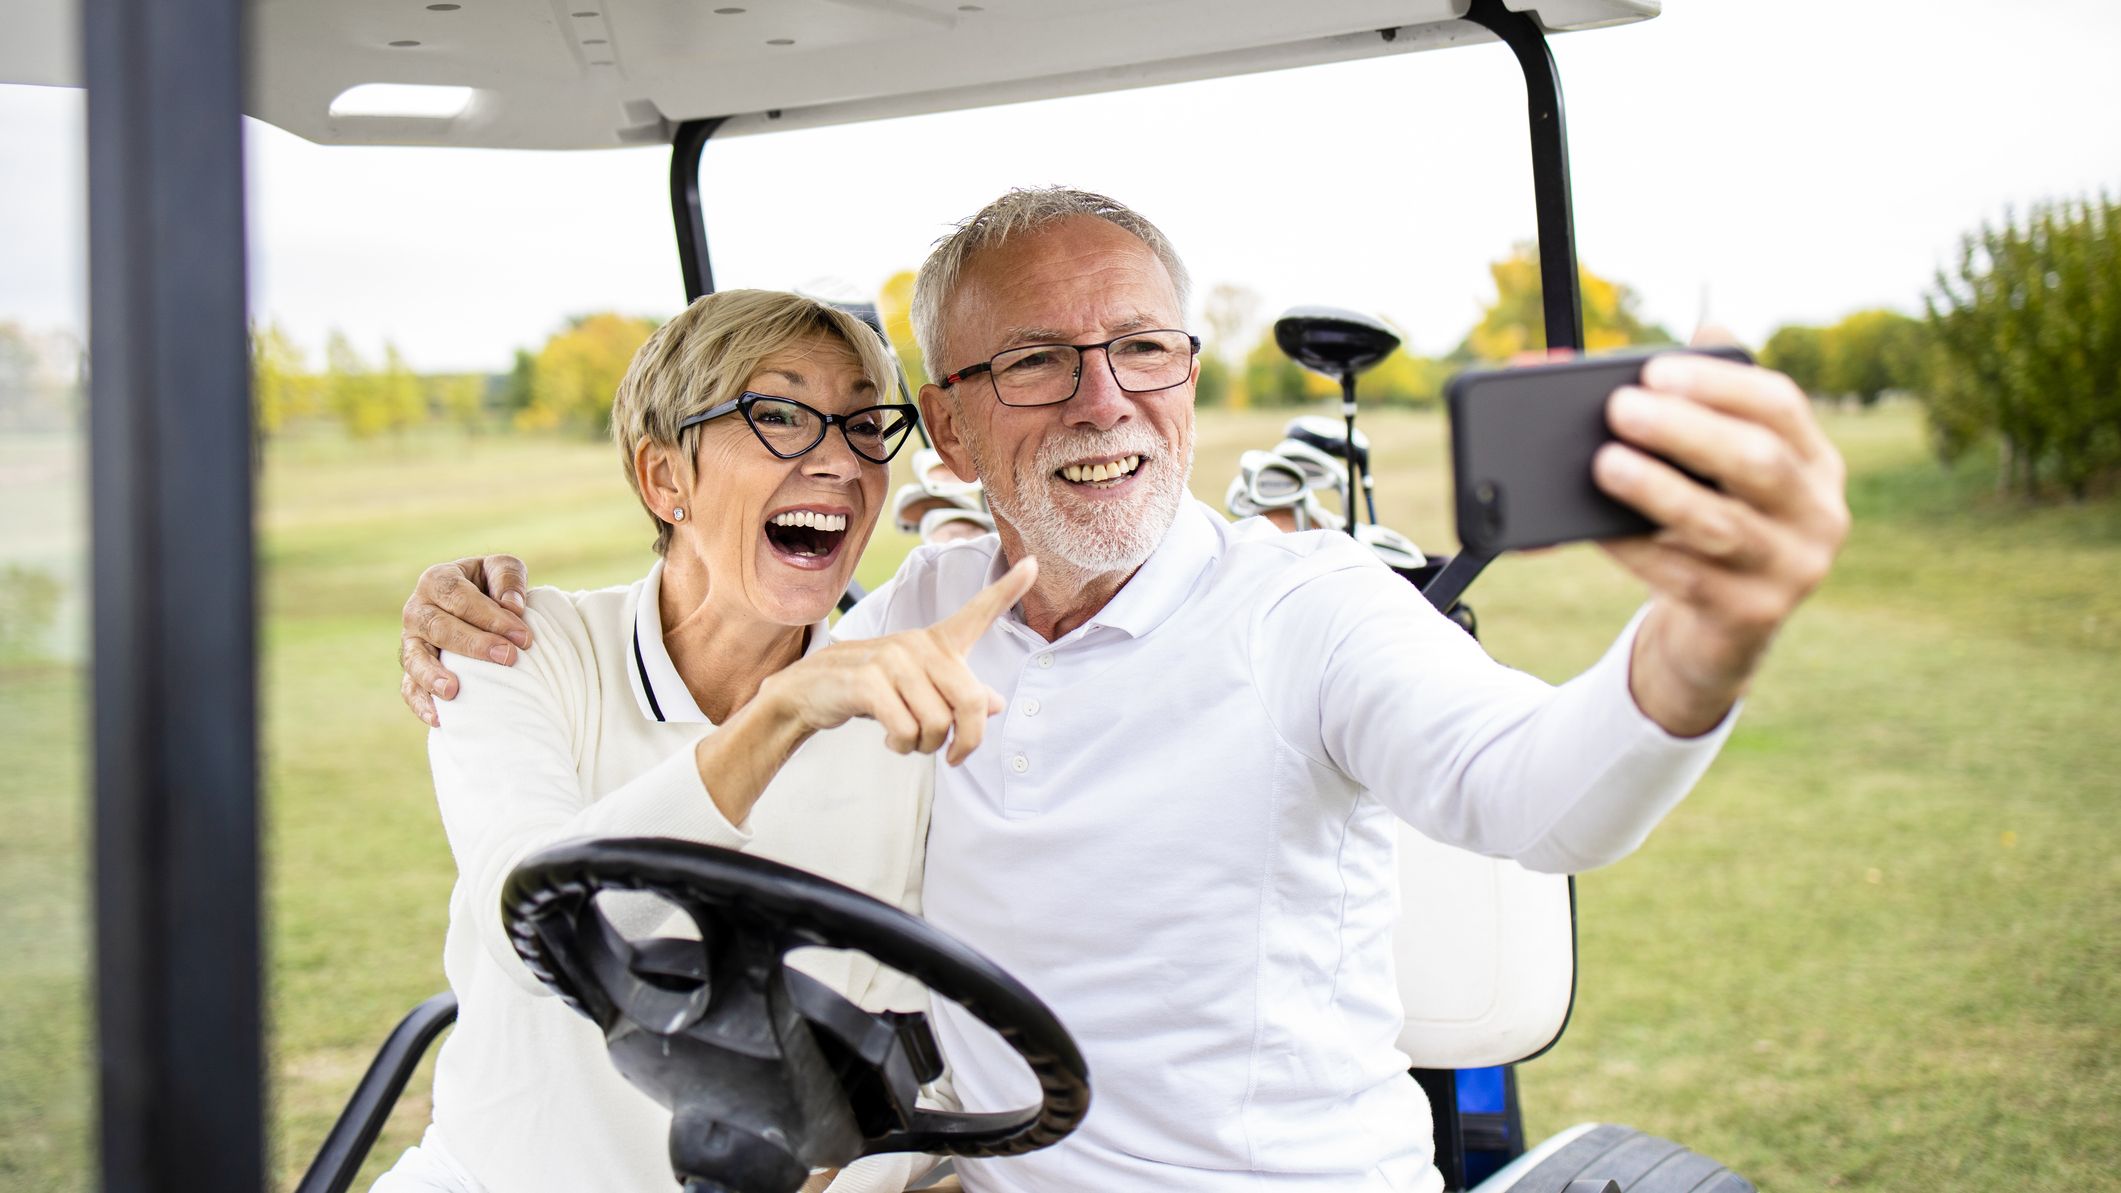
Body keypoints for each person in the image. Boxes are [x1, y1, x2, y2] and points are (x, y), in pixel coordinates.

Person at [399, 188, 1849, 1191]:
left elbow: (1538, 795)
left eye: (1142, 348)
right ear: (954, 431)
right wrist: (465, 606)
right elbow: (621, 809)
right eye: (1037, 359)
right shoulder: (900, 626)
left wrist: (1701, 639)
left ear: (1188, 377)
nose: (1105, 399)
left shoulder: (1313, 612)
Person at [375, 288, 1031, 1193]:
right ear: (663, 479)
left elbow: (927, 1041)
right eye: (778, 415)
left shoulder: (907, 720)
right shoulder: (514, 646)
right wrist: (779, 715)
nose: (840, 460)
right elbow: (538, 929)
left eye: (861, 423)